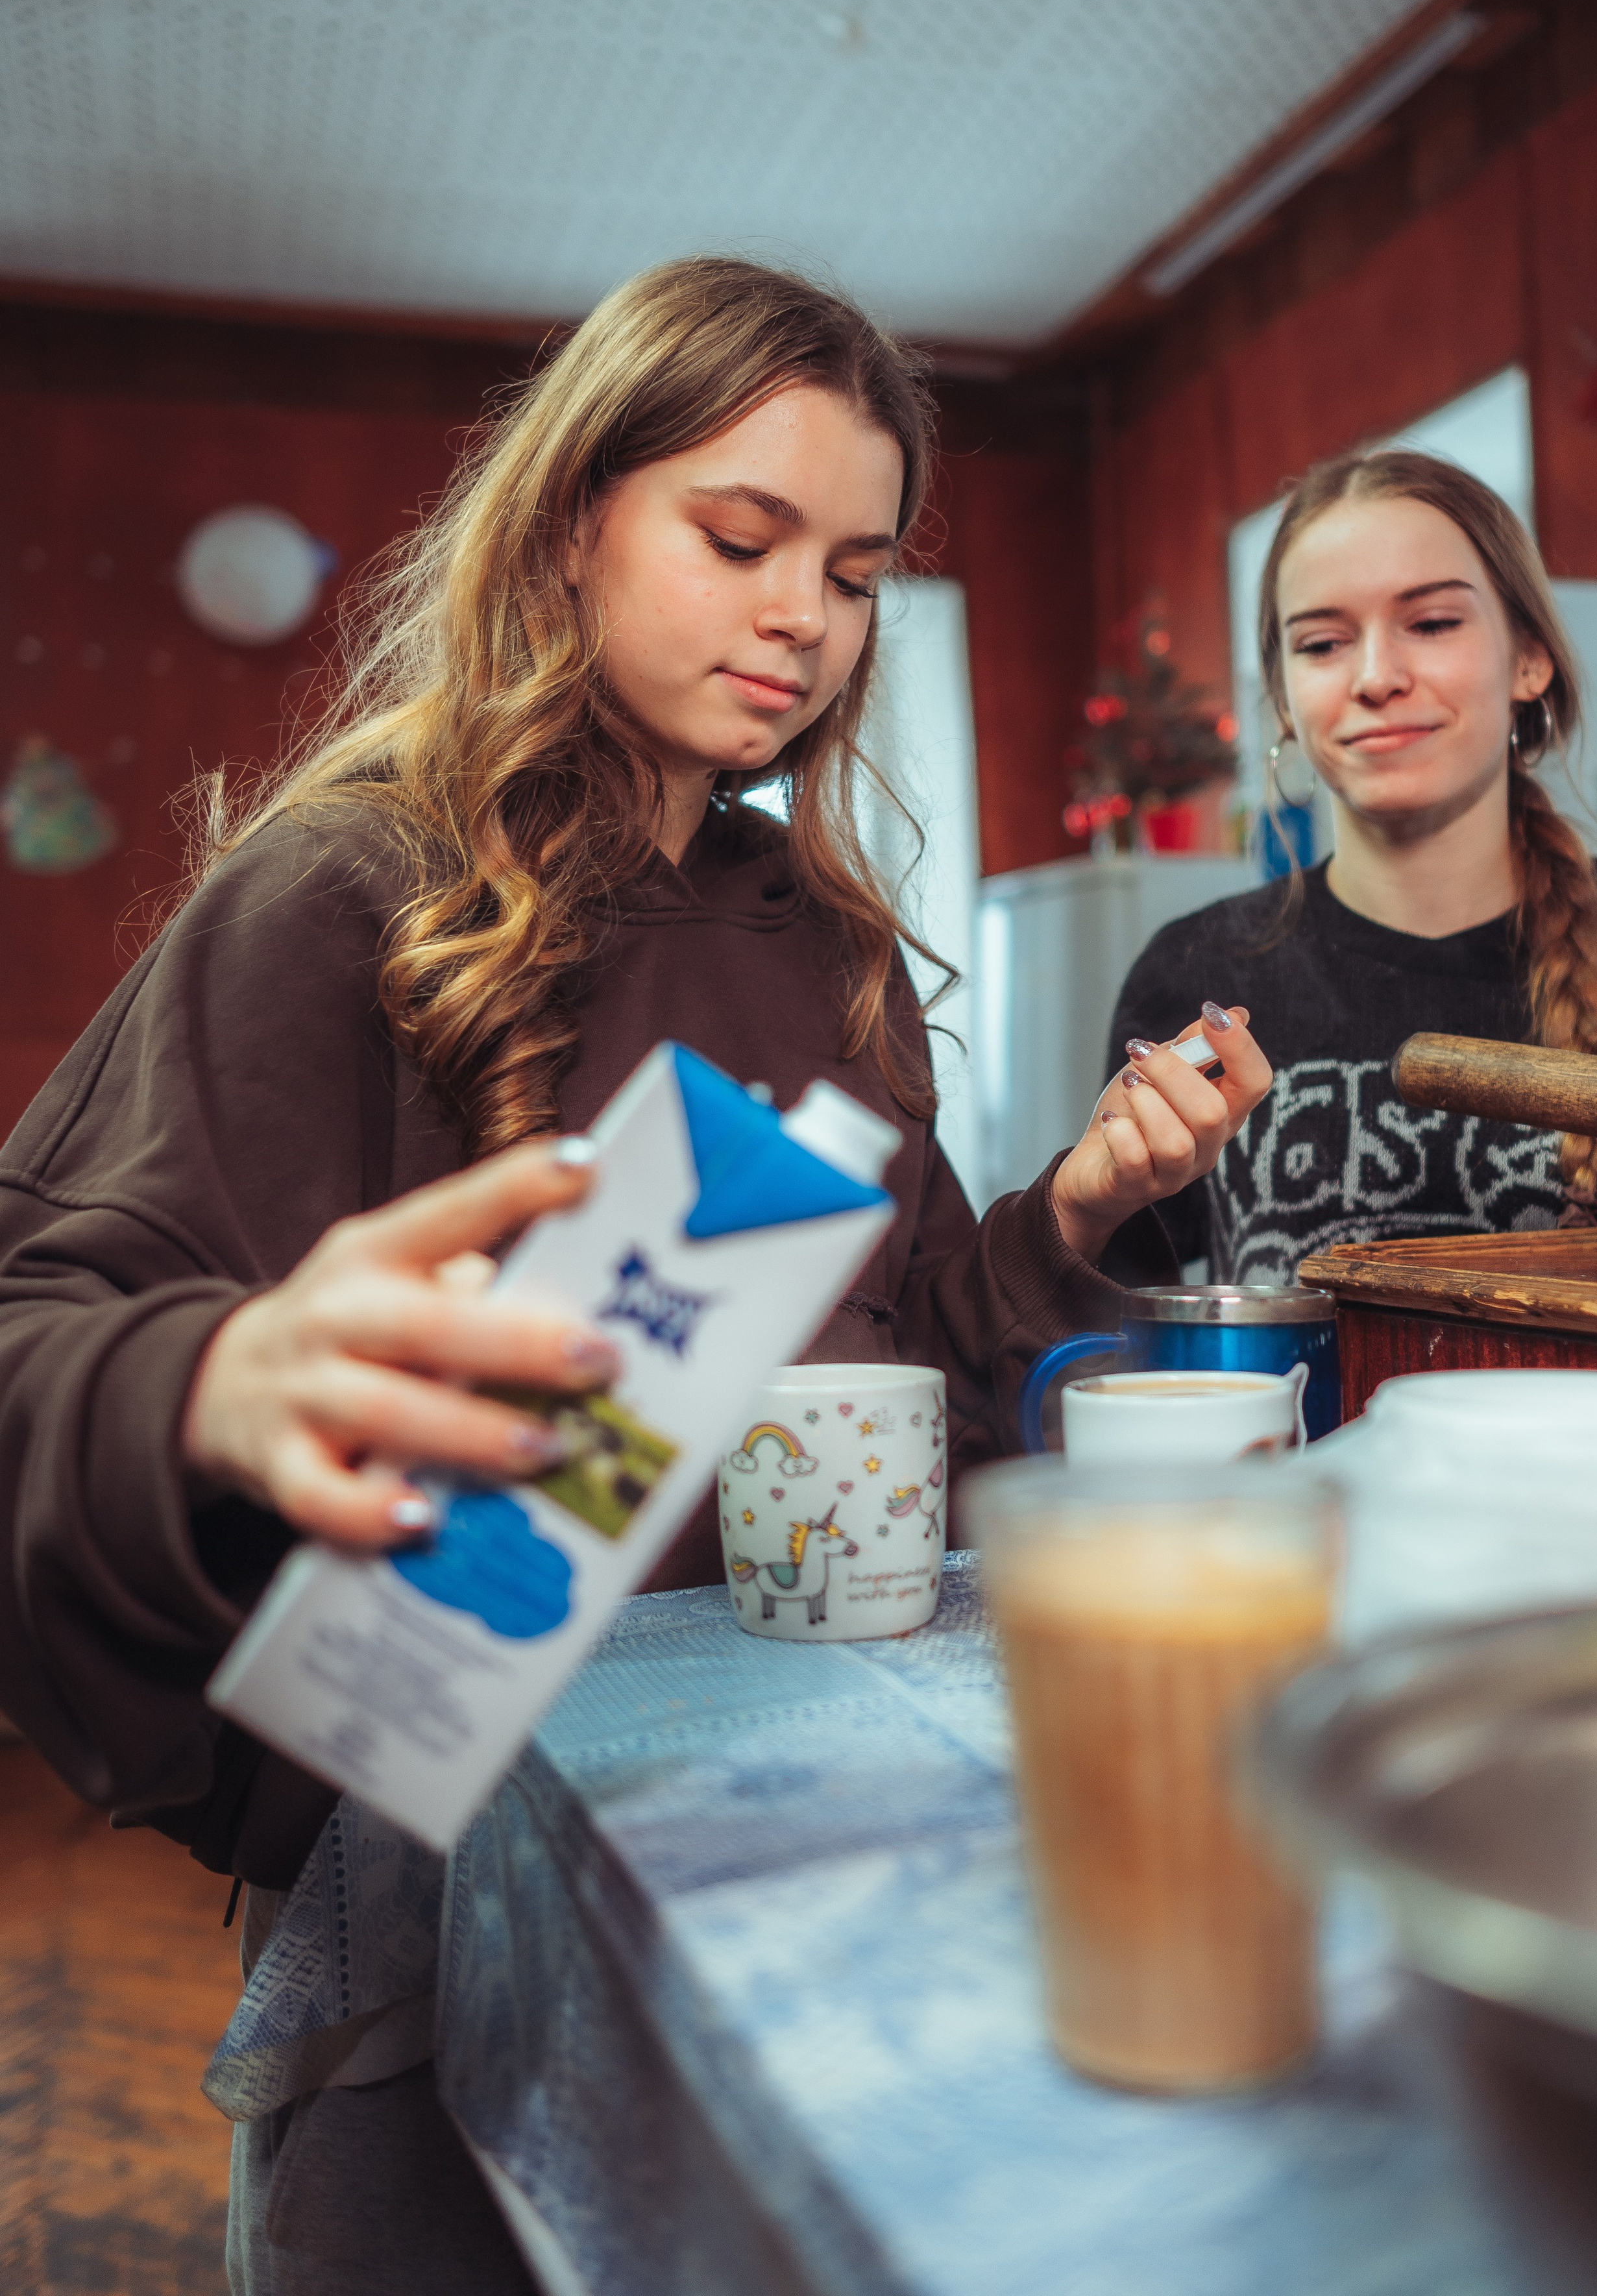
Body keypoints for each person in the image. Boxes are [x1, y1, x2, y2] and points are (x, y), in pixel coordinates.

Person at [0, 256, 1271, 2291]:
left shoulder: (833, 953)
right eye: (739, 539)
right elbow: (36, 1332)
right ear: (569, 523)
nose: (802, 618)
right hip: (436, 1865)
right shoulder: (349, 891)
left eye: (853, 573)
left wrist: (1069, 1219)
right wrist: (218, 1381)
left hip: (791, 1845)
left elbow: (900, 1380)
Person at [1110, 447, 1597, 1287]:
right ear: (1284, 699)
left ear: (1529, 657)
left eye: (1432, 624)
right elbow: (1116, 1322)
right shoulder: (1194, 976)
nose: (1376, 677)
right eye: (1324, 643)